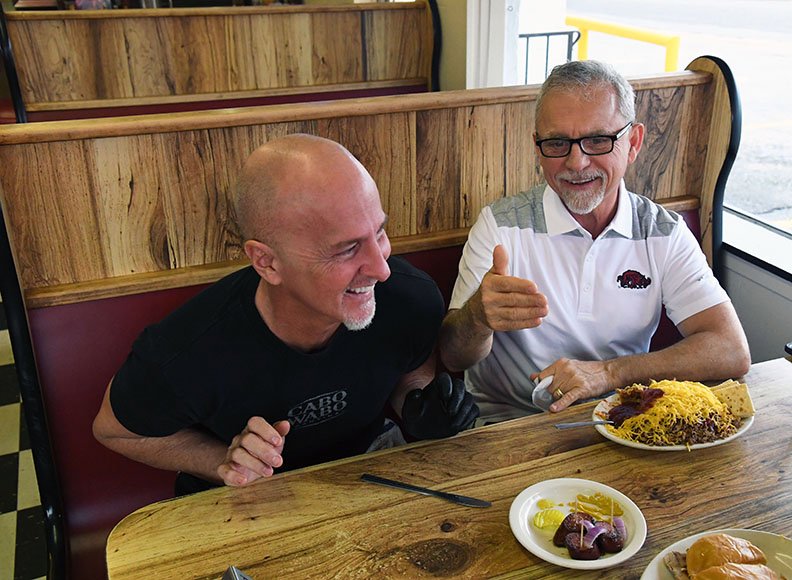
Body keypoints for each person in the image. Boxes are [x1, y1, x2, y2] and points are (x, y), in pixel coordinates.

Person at [93, 134, 478, 495]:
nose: (381, 269)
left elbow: (409, 366)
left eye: (379, 233)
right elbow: (113, 432)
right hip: (244, 501)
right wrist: (222, 461)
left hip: (368, 471)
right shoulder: (184, 352)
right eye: (346, 250)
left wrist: (417, 403)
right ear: (267, 262)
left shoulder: (410, 298)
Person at [438, 60, 750, 424]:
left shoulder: (663, 232)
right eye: (557, 142)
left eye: (598, 140)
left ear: (633, 143)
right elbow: (453, 357)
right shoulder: (499, 227)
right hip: (507, 430)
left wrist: (609, 373)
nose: (577, 162)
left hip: (623, 428)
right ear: (538, 148)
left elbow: (730, 349)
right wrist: (478, 317)